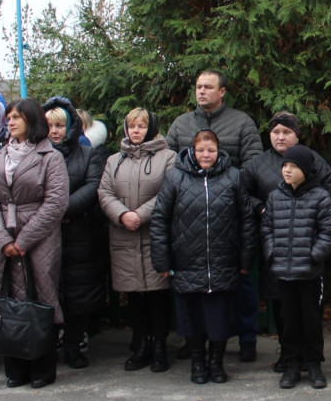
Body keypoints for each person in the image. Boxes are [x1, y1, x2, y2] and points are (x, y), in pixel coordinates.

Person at [151, 129, 256, 385]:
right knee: (191, 317)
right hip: (186, 260)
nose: (206, 155)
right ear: (192, 151)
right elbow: (160, 218)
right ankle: (197, 362)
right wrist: (162, 259)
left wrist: (245, 258)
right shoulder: (175, 177)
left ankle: (216, 362)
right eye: (200, 150)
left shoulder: (233, 176)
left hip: (223, 261)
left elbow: (246, 220)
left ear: (219, 150)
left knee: (219, 317)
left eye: (211, 150)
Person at [0, 98, 70, 389]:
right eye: (8, 117)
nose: (10, 122)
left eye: (16, 117)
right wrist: (5, 239)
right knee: (7, 297)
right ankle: (15, 366)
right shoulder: (0, 157)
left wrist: (24, 240)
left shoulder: (50, 157)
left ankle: (42, 366)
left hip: (39, 239)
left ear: (31, 120)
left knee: (41, 297)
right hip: (4, 240)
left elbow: (56, 203)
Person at [242, 111, 331, 366]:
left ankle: (311, 356)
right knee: (280, 304)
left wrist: (311, 208)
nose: (280, 137)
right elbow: (241, 193)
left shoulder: (312, 160)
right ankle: (287, 353)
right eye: (275, 132)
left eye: (287, 132)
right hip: (277, 244)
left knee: (308, 307)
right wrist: (260, 208)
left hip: (307, 244)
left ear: (297, 135)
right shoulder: (257, 164)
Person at [98, 107, 177, 372]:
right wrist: (122, 215)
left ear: (151, 128)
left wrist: (139, 215)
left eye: (141, 126)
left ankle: (159, 347)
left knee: (157, 296)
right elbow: (104, 192)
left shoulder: (168, 157)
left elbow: (169, 191)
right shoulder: (114, 160)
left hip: (154, 234)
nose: (136, 131)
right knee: (134, 296)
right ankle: (141, 345)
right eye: (132, 126)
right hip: (124, 236)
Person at [262, 145, 331, 389]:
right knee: (289, 319)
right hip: (283, 273)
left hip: (310, 273)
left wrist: (313, 256)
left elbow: (329, 233)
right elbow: (267, 229)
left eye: (293, 166)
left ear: (305, 170)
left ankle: (314, 363)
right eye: (284, 165)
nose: (287, 170)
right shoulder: (275, 197)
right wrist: (272, 252)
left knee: (311, 319)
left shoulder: (320, 197)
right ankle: (292, 364)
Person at [42, 97, 106, 369]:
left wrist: (61, 210)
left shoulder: (88, 154)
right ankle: (46, 345)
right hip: (45, 234)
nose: (54, 131)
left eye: (60, 125)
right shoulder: (37, 154)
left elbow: (92, 187)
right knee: (47, 290)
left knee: (78, 295)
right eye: (49, 125)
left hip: (79, 233)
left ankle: (73, 346)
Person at [165, 69, 262, 165]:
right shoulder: (181, 123)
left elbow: (253, 163)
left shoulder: (242, 122)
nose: (202, 91)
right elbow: (167, 160)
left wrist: (233, 180)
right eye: (199, 87)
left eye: (208, 87)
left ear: (222, 92)